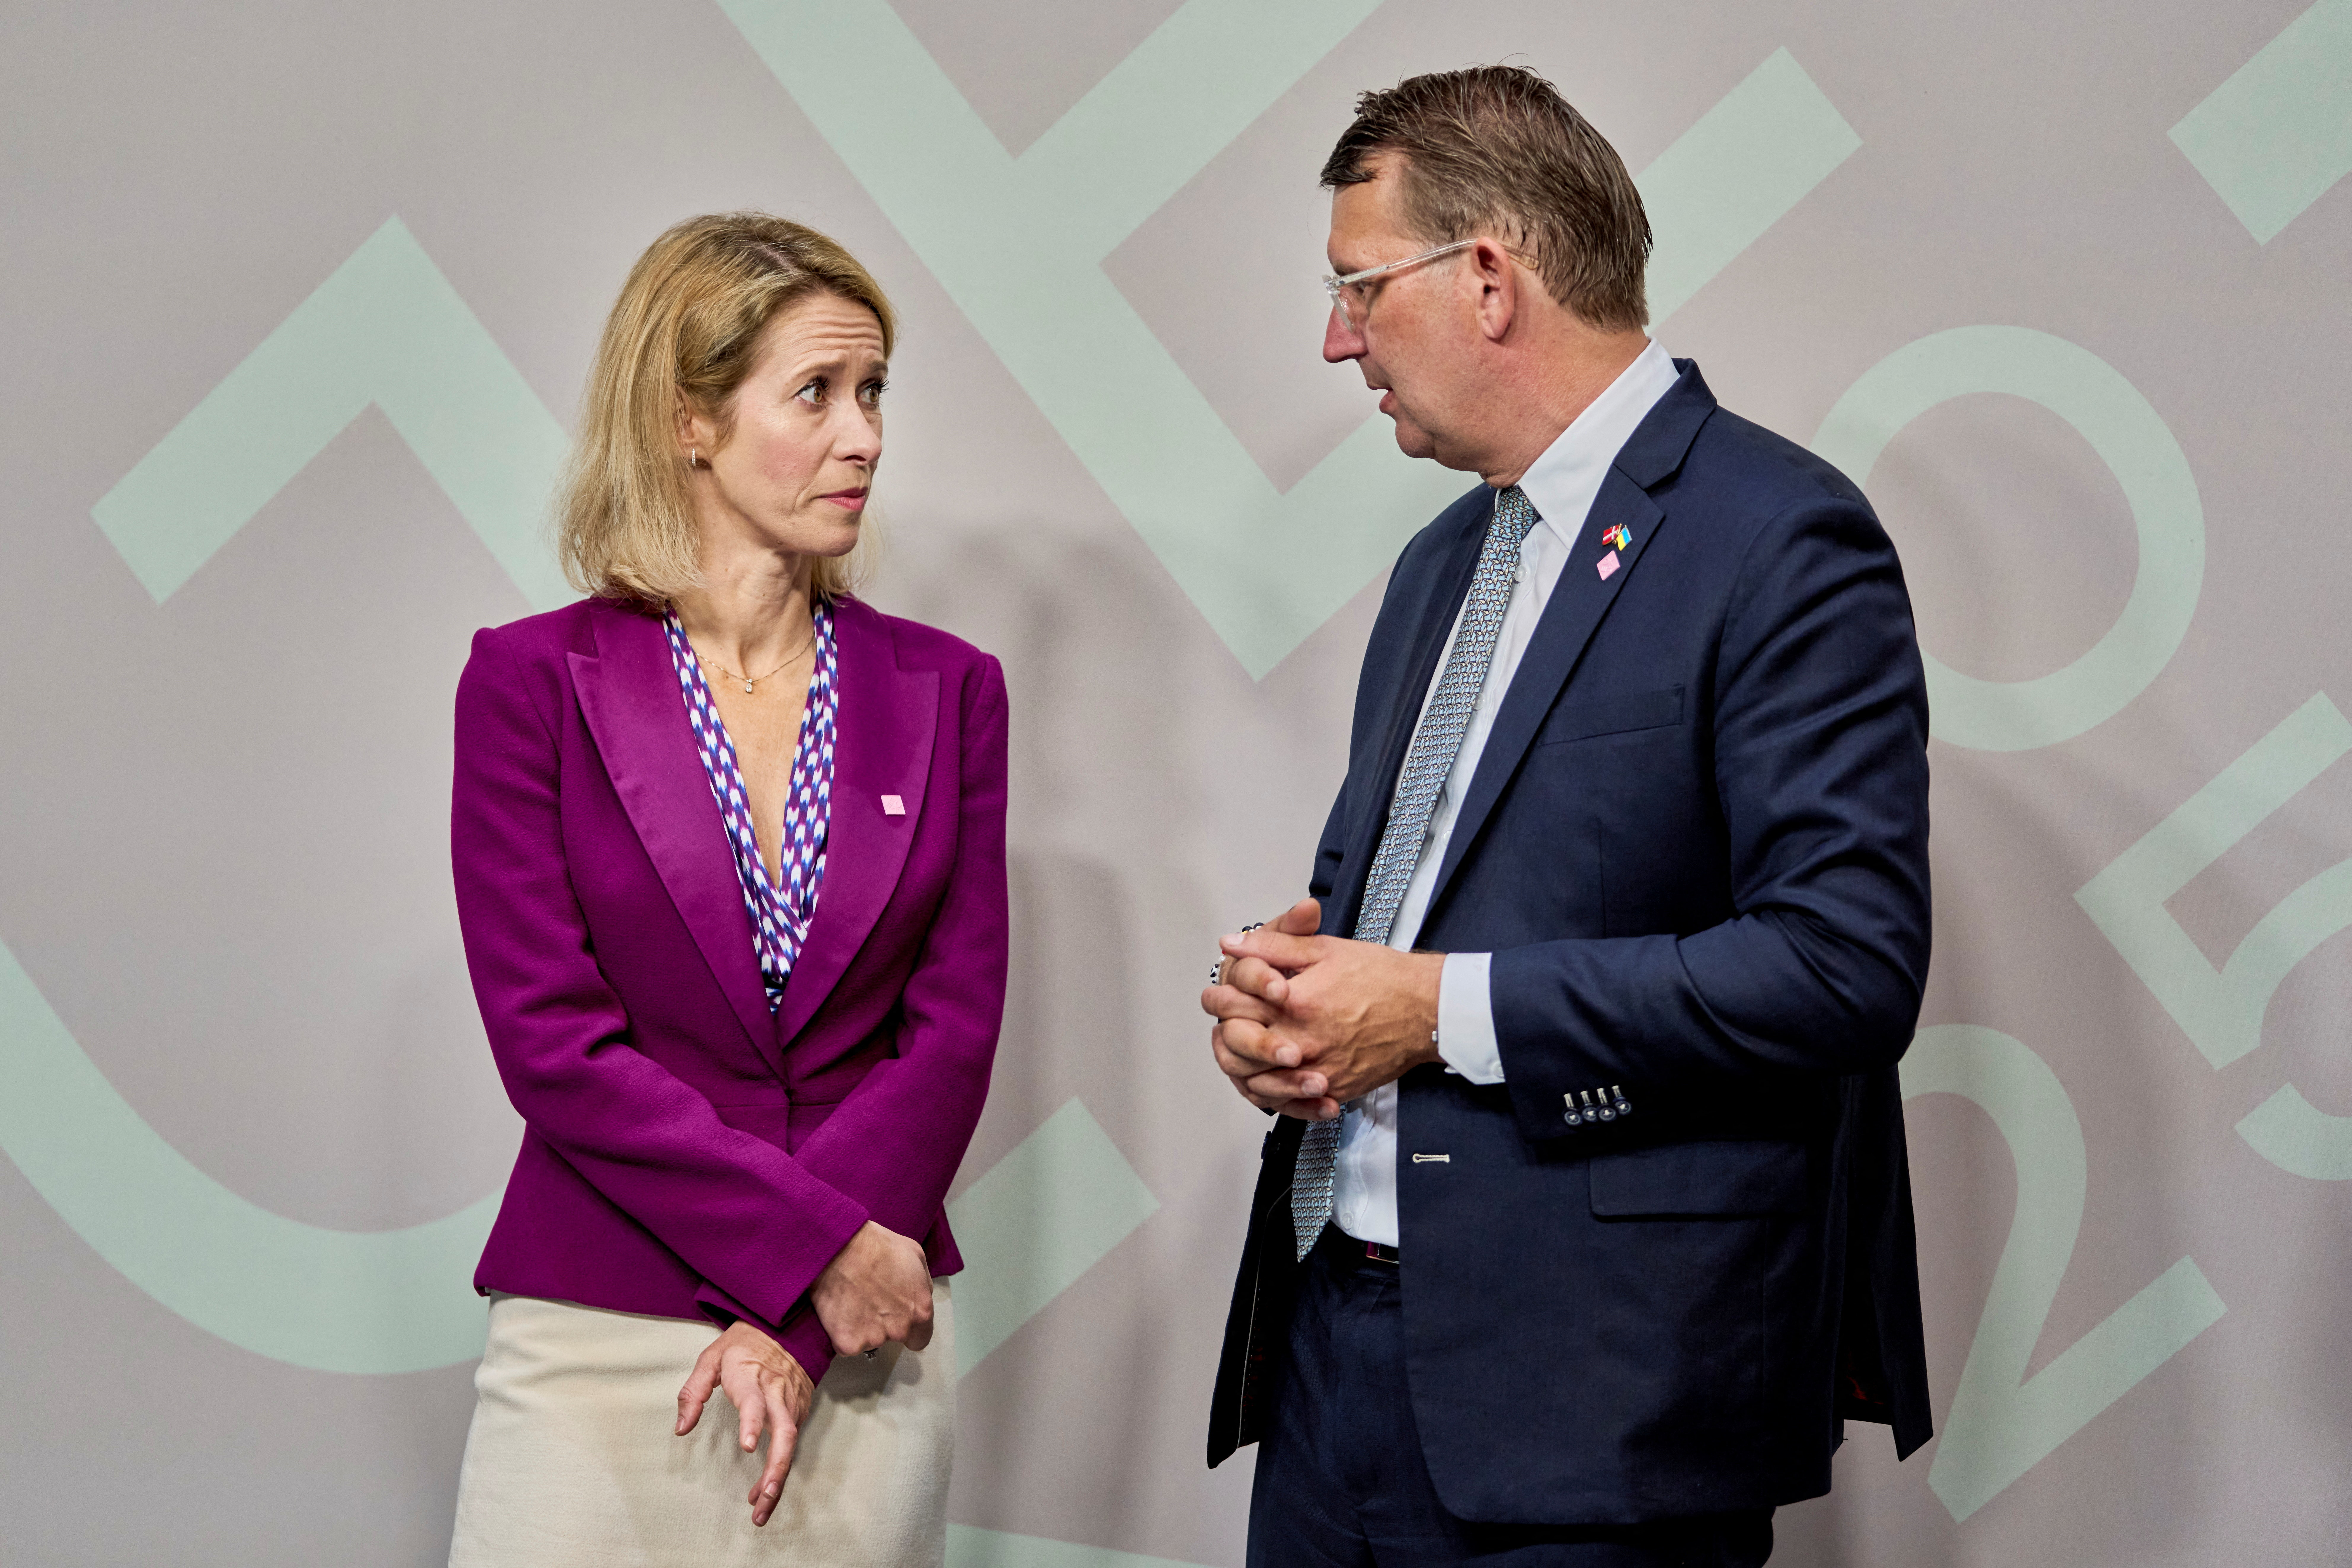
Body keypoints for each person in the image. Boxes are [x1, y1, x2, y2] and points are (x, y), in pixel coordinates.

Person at [1200, 67, 1933, 1566]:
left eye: (1357, 287)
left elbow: (1842, 964)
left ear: (1486, 279)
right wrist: (1302, 1005)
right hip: (1334, 1359)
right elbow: (1435, 916)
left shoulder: (1778, 539)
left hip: (1594, 1416)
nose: (1336, 338)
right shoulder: (1435, 570)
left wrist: (1430, 1010)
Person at [445, 212, 1007, 1566]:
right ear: (688, 419)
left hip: (860, 1349)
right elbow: (554, 1048)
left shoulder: (950, 688)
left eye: (872, 393)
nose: (863, 436)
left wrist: (810, 1311)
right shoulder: (530, 685)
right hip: (601, 1334)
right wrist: (809, 1251)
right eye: (814, 394)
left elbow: (952, 1031)